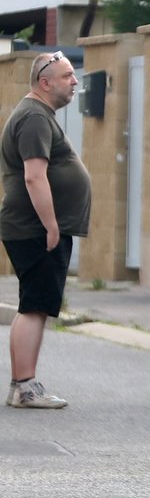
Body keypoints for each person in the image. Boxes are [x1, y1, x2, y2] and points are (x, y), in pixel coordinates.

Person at [2, 51, 92, 408]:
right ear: (45, 83)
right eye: (68, 76)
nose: (74, 81)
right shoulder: (34, 117)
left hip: (34, 227)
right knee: (34, 306)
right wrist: (51, 225)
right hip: (34, 228)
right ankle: (24, 387)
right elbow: (34, 175)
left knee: (35, 305)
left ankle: (24, 384)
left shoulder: (39, 115)